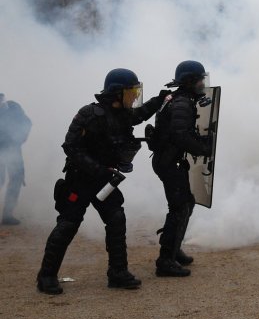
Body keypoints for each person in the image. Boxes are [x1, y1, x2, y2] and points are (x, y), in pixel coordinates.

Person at [36, 69, 166, 295]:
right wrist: (99, 170)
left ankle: (118, 273)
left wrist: (160, 99)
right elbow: (70, 147)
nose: (135, 96)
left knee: (116, 219)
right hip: (81, 180)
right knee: (68, 224)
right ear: (117, 93)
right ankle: (46, 276)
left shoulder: (124, 114)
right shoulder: (89, 114)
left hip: (104, 182)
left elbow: (141, 113)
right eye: (131, 91)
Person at [149, 60, 212, 278]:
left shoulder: (180, 99)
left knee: (186, 203)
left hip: (169, 160)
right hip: (169, 162)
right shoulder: (182, 103)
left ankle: (174, 250)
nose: (203, 83)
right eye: (200, 79)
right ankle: (165, 260)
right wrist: (204, 148)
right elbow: (179, 135)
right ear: (189, 81)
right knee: (179, 208)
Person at [0, 93, 32, 225]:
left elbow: (26, 123)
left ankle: (7, 215)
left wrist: (18, 139)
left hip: (13, 149)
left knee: (16, 178)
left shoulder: (13, 107)